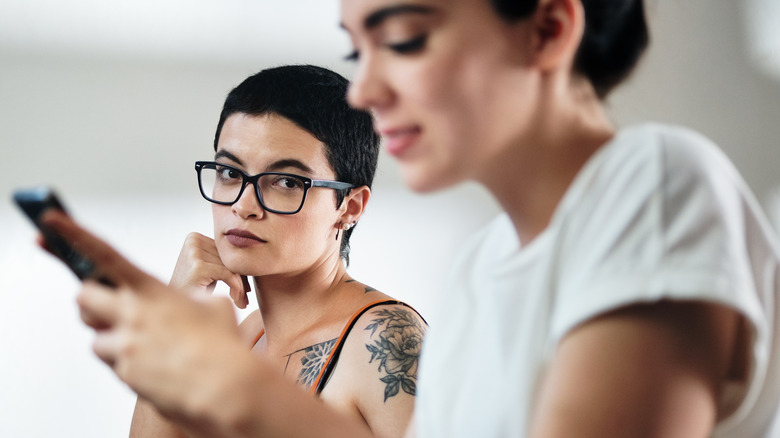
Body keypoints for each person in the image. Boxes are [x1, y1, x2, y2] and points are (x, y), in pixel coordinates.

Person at [41, 0, 780, 436]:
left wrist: (233, 389)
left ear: (548, 29)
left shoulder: (650, 184)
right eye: (354, 48)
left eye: (402, 40)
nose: (363, 89)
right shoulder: (479, 270)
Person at [126, 64, 426, 437]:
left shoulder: (383, 339)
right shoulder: (247, 338)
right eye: (230, 174)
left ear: (350, 207)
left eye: (285, 181)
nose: (244, 205)